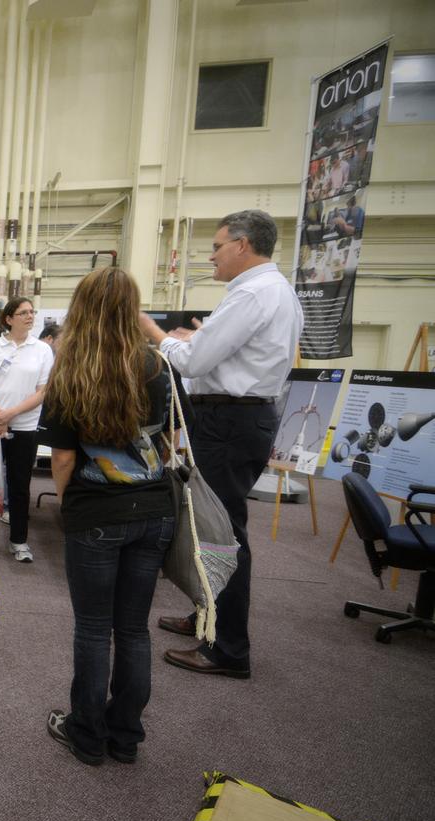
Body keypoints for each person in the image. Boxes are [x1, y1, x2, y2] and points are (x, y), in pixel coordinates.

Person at [139, 209, 302, 679]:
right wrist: (197, 339)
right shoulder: (277, 292)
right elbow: (225, 353)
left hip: (230, 419)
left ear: (243, 245)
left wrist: (159, 335)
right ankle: (207, 618)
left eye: (216, 246)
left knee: (223, 531)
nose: (211, 256)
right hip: (238, 418)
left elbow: (192, 363)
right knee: (211, 524)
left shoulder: (252, 293)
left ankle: (227, 650)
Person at [40, 266, 175, 767]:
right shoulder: (157, 365)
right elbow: (167, 440)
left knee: (94, 629)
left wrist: (69, 505)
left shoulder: (72, 368)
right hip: (156, 510)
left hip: (96, 514)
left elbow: (63, 460)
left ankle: (87, 734)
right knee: (134, 630)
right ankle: (125, 736)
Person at [0, 297, 53, 561]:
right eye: (23, 312)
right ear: (9, 318)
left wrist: (10, 414)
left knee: (20, 484)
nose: (30, 316)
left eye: (32, 312)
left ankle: (19, 541)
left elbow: (43, 391)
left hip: (25, 426)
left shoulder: (42, 350)